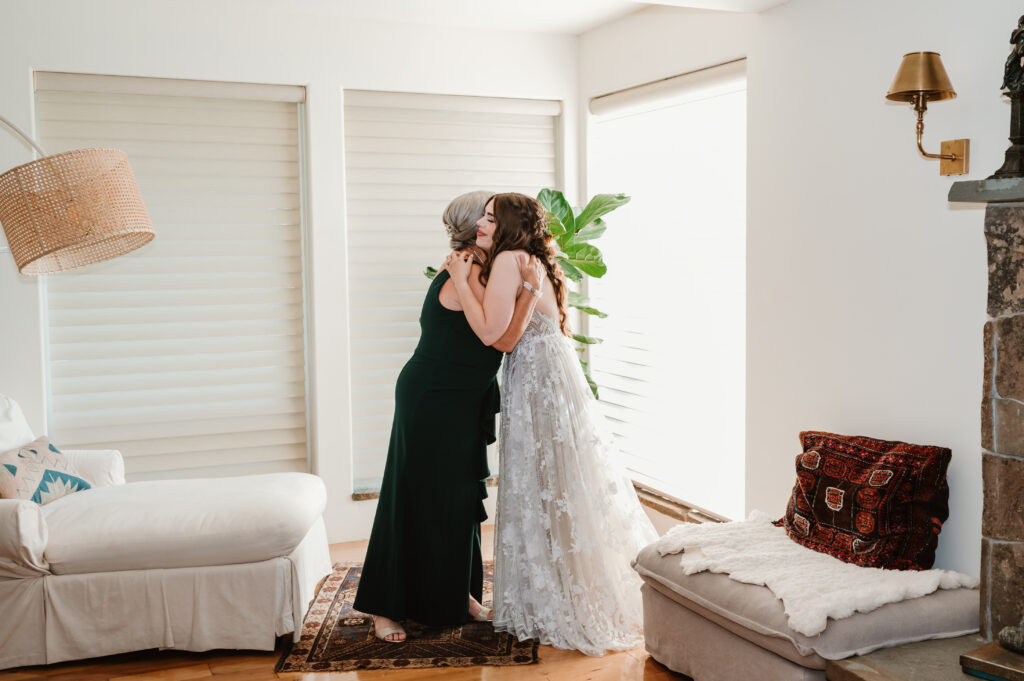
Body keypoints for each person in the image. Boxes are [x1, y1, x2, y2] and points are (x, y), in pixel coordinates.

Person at [448, 192, 658, 656]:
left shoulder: (508, 260)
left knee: (544, 482)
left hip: (539, 379)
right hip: (548, 373)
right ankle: (562, 587)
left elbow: (495, 337)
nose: (481, 223)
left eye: (488, 217)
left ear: (507, 225)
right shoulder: (523, 258)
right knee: (556, 484)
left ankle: (559, 598)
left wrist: (461, 280)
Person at [352, 191, 541, 643]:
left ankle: (456, 593)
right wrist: (531, 291)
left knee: (455, 499)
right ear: (477, 225)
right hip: (433, 397)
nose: (492, 223)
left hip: (459, 398)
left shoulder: (481, 266)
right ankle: (384, 607)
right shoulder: (470, 267)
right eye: (488, 217)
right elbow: (500, 339)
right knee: (413, 498)